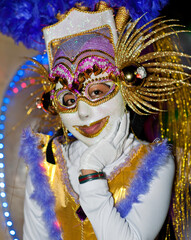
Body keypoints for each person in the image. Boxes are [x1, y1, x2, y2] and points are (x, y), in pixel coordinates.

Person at [17, 3, 191, 240]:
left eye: (97, 92)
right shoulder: (47, 163)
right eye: (68, 99)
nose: (84, 113)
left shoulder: (154, 163)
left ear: (127, 88)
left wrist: (91, 171)